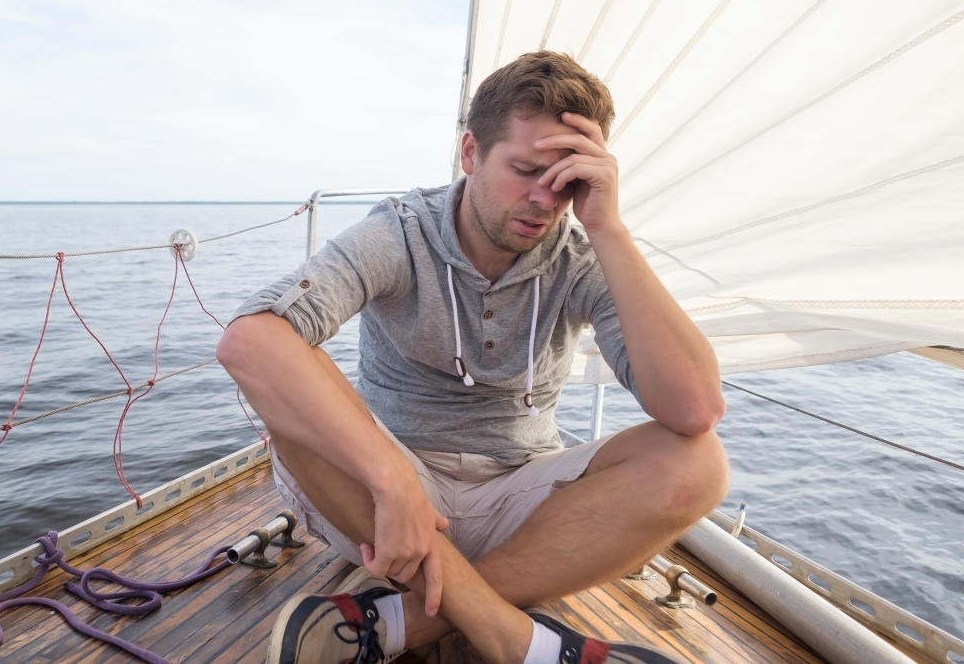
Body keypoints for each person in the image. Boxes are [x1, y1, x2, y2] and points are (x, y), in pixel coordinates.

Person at [216, 50, 729, 664]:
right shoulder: (400, 233)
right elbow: (250, 340)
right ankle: (519, 639)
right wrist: (393, 479)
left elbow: (694, 408)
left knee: (697, 463)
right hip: (385, 508)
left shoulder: (582, 254)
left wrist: (608, 229)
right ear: (469, 154)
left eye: (565, 180)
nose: (544, 198)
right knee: (291, 409)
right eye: (524, 169)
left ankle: (409, 621)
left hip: (523, 499)